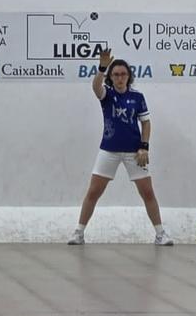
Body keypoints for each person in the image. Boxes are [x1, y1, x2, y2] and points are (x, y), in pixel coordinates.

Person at [69, 49, 173, 246]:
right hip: (108, 150)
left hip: (135, 153)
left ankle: (161, 234)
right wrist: (102, 68)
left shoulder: (138, 97)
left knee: (148, 193)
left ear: (129, 76)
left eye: (123, 74)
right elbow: (95, 86)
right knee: (93, 192)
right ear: (111, 77)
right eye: (116, 74)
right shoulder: (106, 95)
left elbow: (146, 123)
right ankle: (79, 233)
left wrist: (144, 147)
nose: (120, 78)